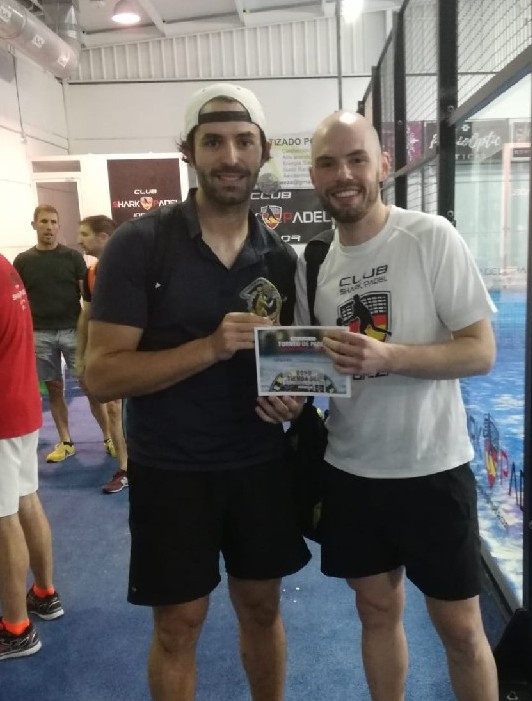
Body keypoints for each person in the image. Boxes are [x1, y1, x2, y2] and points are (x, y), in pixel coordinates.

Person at [84, 83, 311, 701]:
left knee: (262, 609)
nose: (229, 156)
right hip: (171, 469)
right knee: (178, 626)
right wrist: (210, 347)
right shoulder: (141, 244)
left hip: (259, 466)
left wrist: (293, 401)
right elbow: (101, 375)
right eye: (213, 142)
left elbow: (291, 367)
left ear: (264, 151)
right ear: (188, 151)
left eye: (242, 141)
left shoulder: (281, 259)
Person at [294, 111, 499, 701]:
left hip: (433, 468)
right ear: (314, 176)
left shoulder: (429, 236)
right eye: (329, 163)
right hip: (351, 472)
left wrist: (391, 357)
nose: (344, 174)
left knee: (460, 628)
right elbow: (308, 366)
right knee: (376, 613)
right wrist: (283, 395)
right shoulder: (313, 261)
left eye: (356, 159)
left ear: (383, 165)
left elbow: (480, 351)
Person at [13, 205, 115, 463]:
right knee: (54, 388)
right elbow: (18, 300)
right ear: (34, 225)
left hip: (72, 330)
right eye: (44, 222)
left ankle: (109, 437)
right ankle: (66, 442)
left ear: (58, 226)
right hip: (40, 334)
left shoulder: (72, 258)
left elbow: (88, 296)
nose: (49, 227)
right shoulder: (23, 261)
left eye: (53, 222)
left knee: (90, 387)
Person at [0, 253, 64, 661]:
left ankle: (16, 629)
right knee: (25, 499)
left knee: (3, 519)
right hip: (20, 404)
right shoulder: (4, 265)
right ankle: (43, 592)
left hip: (3, 415)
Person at [76, 215, 129, 494]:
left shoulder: (135, 267)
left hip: (142, 355)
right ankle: (125, 467)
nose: (79, 240)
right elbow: (86, 316)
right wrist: (81, 356)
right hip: (108, 353)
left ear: (103, 237)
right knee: (113, 408)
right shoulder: (91, 274)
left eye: (84, 234)